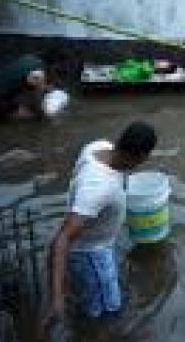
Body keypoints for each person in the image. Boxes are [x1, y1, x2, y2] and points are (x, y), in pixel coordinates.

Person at [42, 122, 158, 328]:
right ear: (141, 157)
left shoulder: (97, 146)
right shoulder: (99, 187)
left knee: (87, 293)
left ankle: (76, 296)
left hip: (93, 240)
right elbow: (63, 237)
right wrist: (56, 298)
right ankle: (90, 328)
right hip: (90, 253)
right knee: (108, 311)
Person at [0, 51, 63, 122]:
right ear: (53, 65)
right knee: (33, 116)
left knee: (17, 95)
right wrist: (42, 113)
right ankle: (3, 112)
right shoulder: (39, 72)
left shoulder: (28, 57)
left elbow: (21, 79)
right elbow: (34, 96)